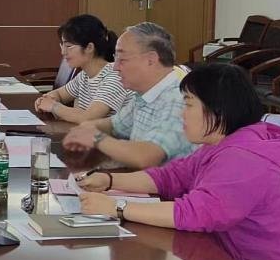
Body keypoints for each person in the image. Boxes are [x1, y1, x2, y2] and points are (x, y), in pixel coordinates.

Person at [78, 63, 280, 260]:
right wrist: (110, 180)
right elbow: (171, 177)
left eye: (188, 104)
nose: (182, 113)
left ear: (218, 110)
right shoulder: (225, 144)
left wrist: (117, 207)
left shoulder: (243, 158)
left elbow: (194, 213)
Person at [63, 22, 194, 168]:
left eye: (122, 59)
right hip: (137, 178)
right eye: (116, 58)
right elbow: (114, 125)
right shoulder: (144, 94)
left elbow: (145, 157)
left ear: (151, 60)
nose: (115, 67)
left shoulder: (179, 100)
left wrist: (95, 137)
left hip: (160, 183)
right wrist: (88, 127)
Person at [34, 14, 128, 123]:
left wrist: (53, 106)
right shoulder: (84, 75)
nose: (63, 52)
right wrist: (47, 98)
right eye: (62, 45)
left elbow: (89, 117)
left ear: (89, 47)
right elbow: (59, 94)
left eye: (68, 46)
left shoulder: (115, 76)